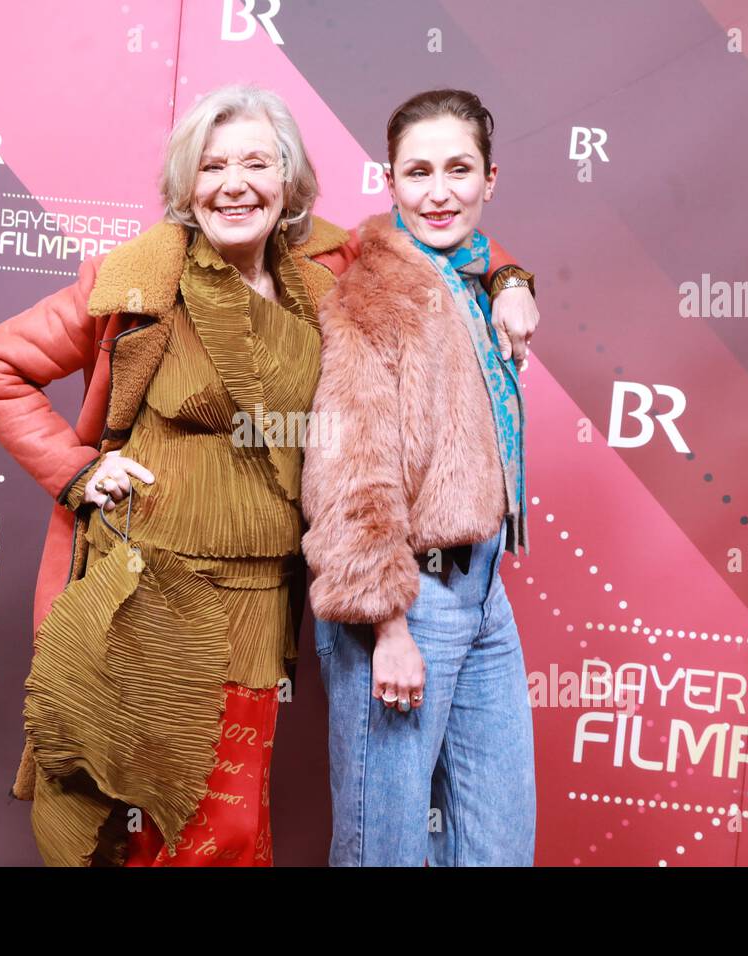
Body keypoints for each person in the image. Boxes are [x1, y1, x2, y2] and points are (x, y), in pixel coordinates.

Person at [0, 83, 538, 866]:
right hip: (151, 594)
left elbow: (434, 232)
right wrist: (75, 470)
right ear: (186, 186)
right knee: (163, 816)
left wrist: (509, 282)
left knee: (227, 830)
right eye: (212, 166)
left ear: (289, 181)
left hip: (261, 602)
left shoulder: (324, 268)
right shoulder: (139, 278)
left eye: (256, 163)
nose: (234, 184)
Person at [302, 89, 538, 866]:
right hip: (404, 599)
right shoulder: (376, 294)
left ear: (490, 179)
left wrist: (512, 279)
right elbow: (350, 472)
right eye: (419, 173)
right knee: (385, 848)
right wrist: (388, 630)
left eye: (458, 170)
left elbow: (480, 252)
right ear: (390, 181)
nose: (439, 192)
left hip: (482, 590)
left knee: (495, 844)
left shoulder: (472, 273)